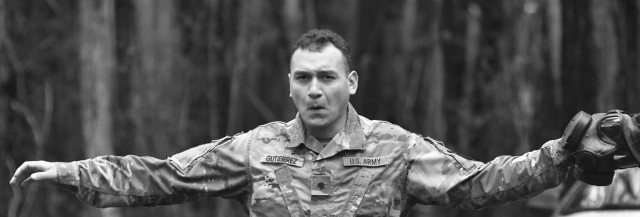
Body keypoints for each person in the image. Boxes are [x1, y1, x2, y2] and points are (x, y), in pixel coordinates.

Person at [6, 29, 623, 217]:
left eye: (327, 77)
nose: (314, 89)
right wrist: (72, 170)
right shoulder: (259, 149)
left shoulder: (395, 148)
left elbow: (481, 182)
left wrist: (560, 158)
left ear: (350, 83)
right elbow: (164, 176)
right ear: (291, 86)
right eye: (303, 78)